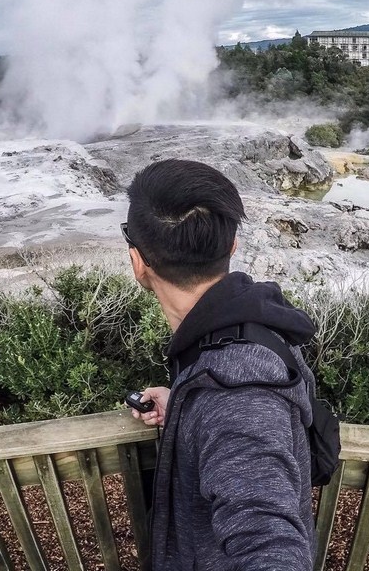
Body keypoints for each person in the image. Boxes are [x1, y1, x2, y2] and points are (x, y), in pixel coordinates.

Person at [122, 159, 317, 570]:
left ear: (138, 262)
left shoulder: (234, 397)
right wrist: (186, 406)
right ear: (232, 246)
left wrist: (214, 407)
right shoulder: (253, 323)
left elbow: (270, 542)